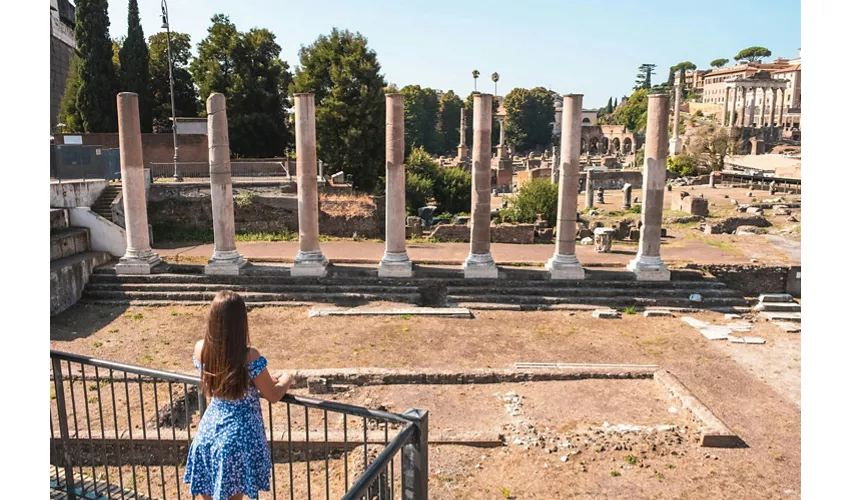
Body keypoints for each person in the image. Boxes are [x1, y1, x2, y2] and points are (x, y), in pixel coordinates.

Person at [184, 290, 294, 500]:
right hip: (237, 439)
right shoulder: (249, 356)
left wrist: (259, 378)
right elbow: (272, 395)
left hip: (207, 434)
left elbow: (227, 373)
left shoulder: (201, 349)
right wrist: (287, 379)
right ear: (240, 322)